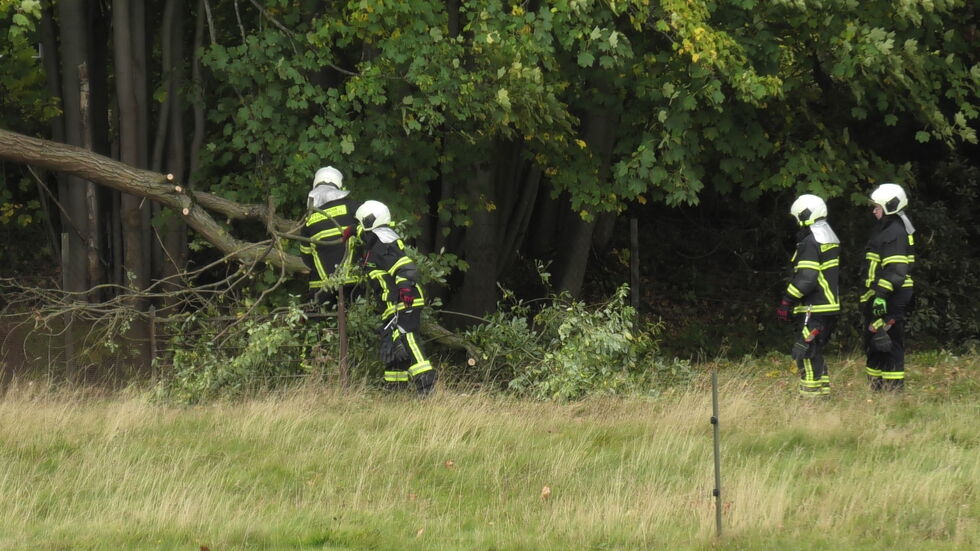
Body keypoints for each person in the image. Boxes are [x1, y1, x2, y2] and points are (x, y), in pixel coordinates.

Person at [353, 200, 437, 396]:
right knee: (391, 345)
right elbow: (362, 232)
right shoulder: (375, 239)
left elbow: (405, 267)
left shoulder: (383, 243)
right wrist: (350, 229)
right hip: (392, 304)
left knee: (408, 338)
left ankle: (426, 382)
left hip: (404, 300)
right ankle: (395, 390)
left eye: (360, 223)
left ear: (368, 221)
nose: (359, 228)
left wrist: (405, 291)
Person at [776, 194, 841, 397]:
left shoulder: (810, 242)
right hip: (828, 307)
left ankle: (811, 402)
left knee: (805, 353)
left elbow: (806, 278)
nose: (797, 222)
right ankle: (823, 396)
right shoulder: (827, 238)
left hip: (814, 308)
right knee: (815, 352)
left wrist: (787, 300)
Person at [861, 183, 915, 392]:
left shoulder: (894, 232)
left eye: (877, 207)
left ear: (889, 206)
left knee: (888, 342)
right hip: (882, 294)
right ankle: (875, 389)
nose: (874, 211)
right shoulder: (888, 229)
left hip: (891, 295)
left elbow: (896, 271)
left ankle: (892, 392)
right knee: (875, 342)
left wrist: (880, 296)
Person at [299, 166, 361, 308]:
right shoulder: (354, 208)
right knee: (356, 326)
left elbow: (306, 258)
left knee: (324, 327)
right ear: (339, 186)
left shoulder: (309, 220)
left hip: (321, 289)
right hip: (354, 285)